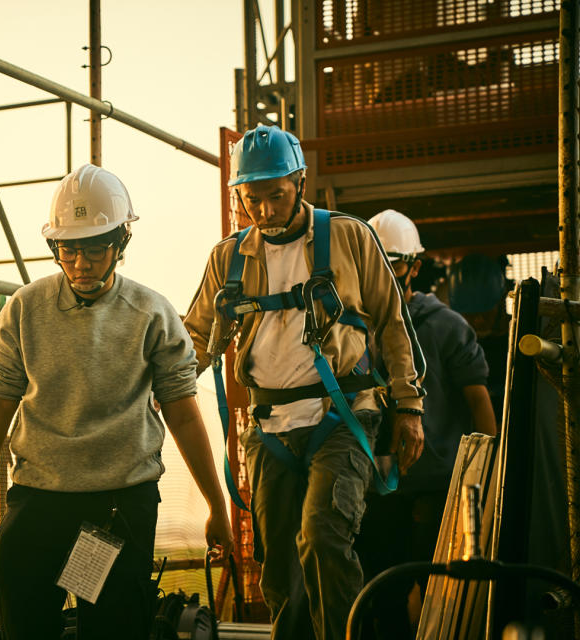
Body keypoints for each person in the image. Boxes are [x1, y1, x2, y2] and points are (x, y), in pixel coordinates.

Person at [0, 164, 234, 640]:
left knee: (108, 626)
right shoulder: (24, 310)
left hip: (115, 506)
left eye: (95, 247)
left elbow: (184, 415)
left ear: (121, 242)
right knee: (22, 614)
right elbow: (0, 401)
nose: (81, 263)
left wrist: (217, 506)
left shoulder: (151, 314)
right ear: (55, 248)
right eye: (69, 249)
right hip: (41, 499)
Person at [183, 125, 425, 640]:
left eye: (275, 195)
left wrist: (409, 406)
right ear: (240, 197)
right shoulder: (228, 259)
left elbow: (392, 320)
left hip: (342, 417)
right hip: (269, 429)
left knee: (322, 536)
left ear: (299, 181)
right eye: (253, 200)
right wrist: (154, 392)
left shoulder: (348, 237)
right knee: (280, 571)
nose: (265, 211)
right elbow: (196, 338)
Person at [355, 210, 497, 638]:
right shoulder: (350, 331)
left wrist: (489, 477)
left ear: (413, 267)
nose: (381, 273)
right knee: (386, 596)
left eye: (392, 263)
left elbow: (478, 401)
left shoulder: (446, 327)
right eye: (371, 262)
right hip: (375, 489)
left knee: (448, 596)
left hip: (439, 489)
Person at [448, 253, 512, 421]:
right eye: (470, 314)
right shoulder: (451, 345)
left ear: (500, 301)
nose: (478, 320)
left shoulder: (517, 338)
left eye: (485, 312)